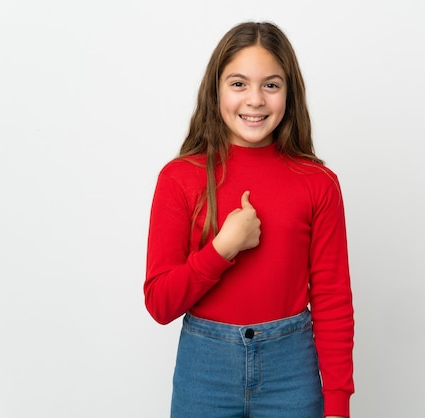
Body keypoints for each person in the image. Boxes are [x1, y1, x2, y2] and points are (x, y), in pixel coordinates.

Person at [144, 21, 354, 418]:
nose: (254, 99)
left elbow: (332, 299)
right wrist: (223, 248)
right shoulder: (179, 178)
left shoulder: (319, 183)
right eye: (238, 84)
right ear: (216, 90)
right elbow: (159, 303)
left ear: (289, 94)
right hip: (204, 369)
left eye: (270, 85)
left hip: (292, 369)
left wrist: (339, 402)